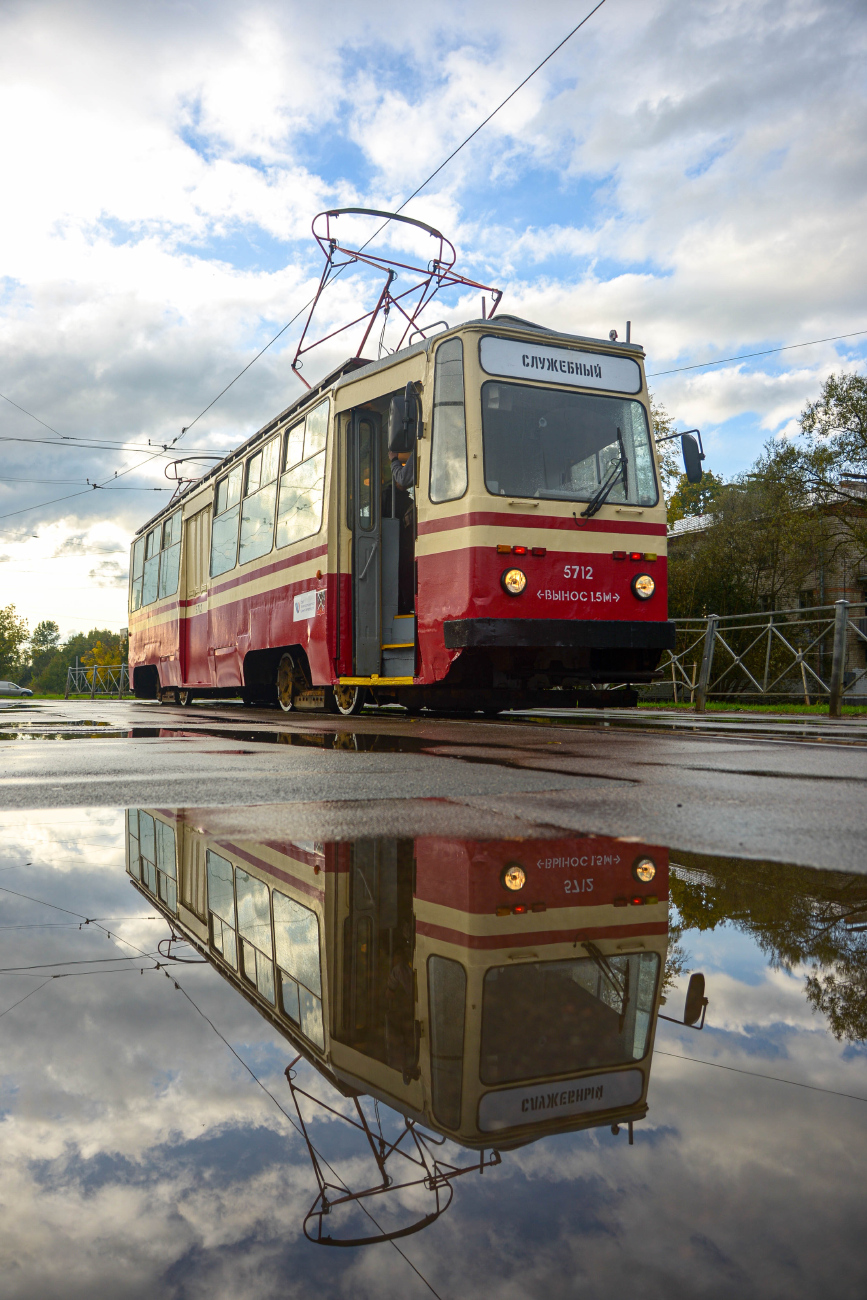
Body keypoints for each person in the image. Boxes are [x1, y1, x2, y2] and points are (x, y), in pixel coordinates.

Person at [388, 450, 415, 614]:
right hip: (403, 544)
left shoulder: (390, 496)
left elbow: (403, 478)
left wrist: (394, 460)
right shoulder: (404, 500)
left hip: (401, 544)